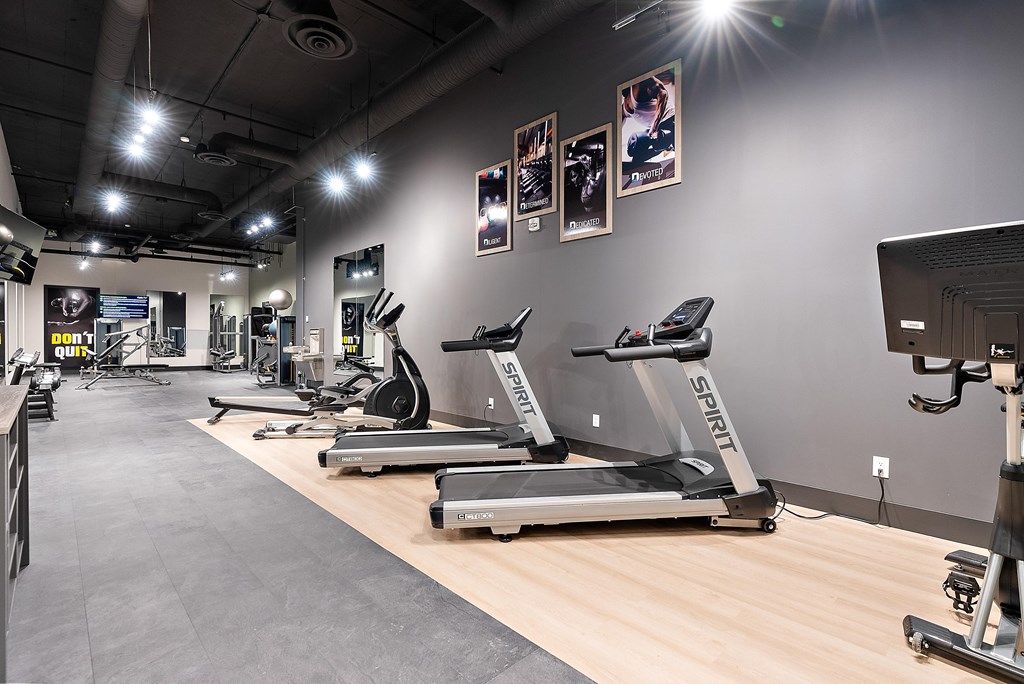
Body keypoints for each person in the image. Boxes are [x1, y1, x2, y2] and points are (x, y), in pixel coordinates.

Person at [621, 70, 676, 164]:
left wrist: (654, 128)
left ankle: (669, 146)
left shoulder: (641, 84)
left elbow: (663, 94)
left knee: (671, 144)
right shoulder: (624, 106)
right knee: (636, 154)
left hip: (669, 120)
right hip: (655, 130)